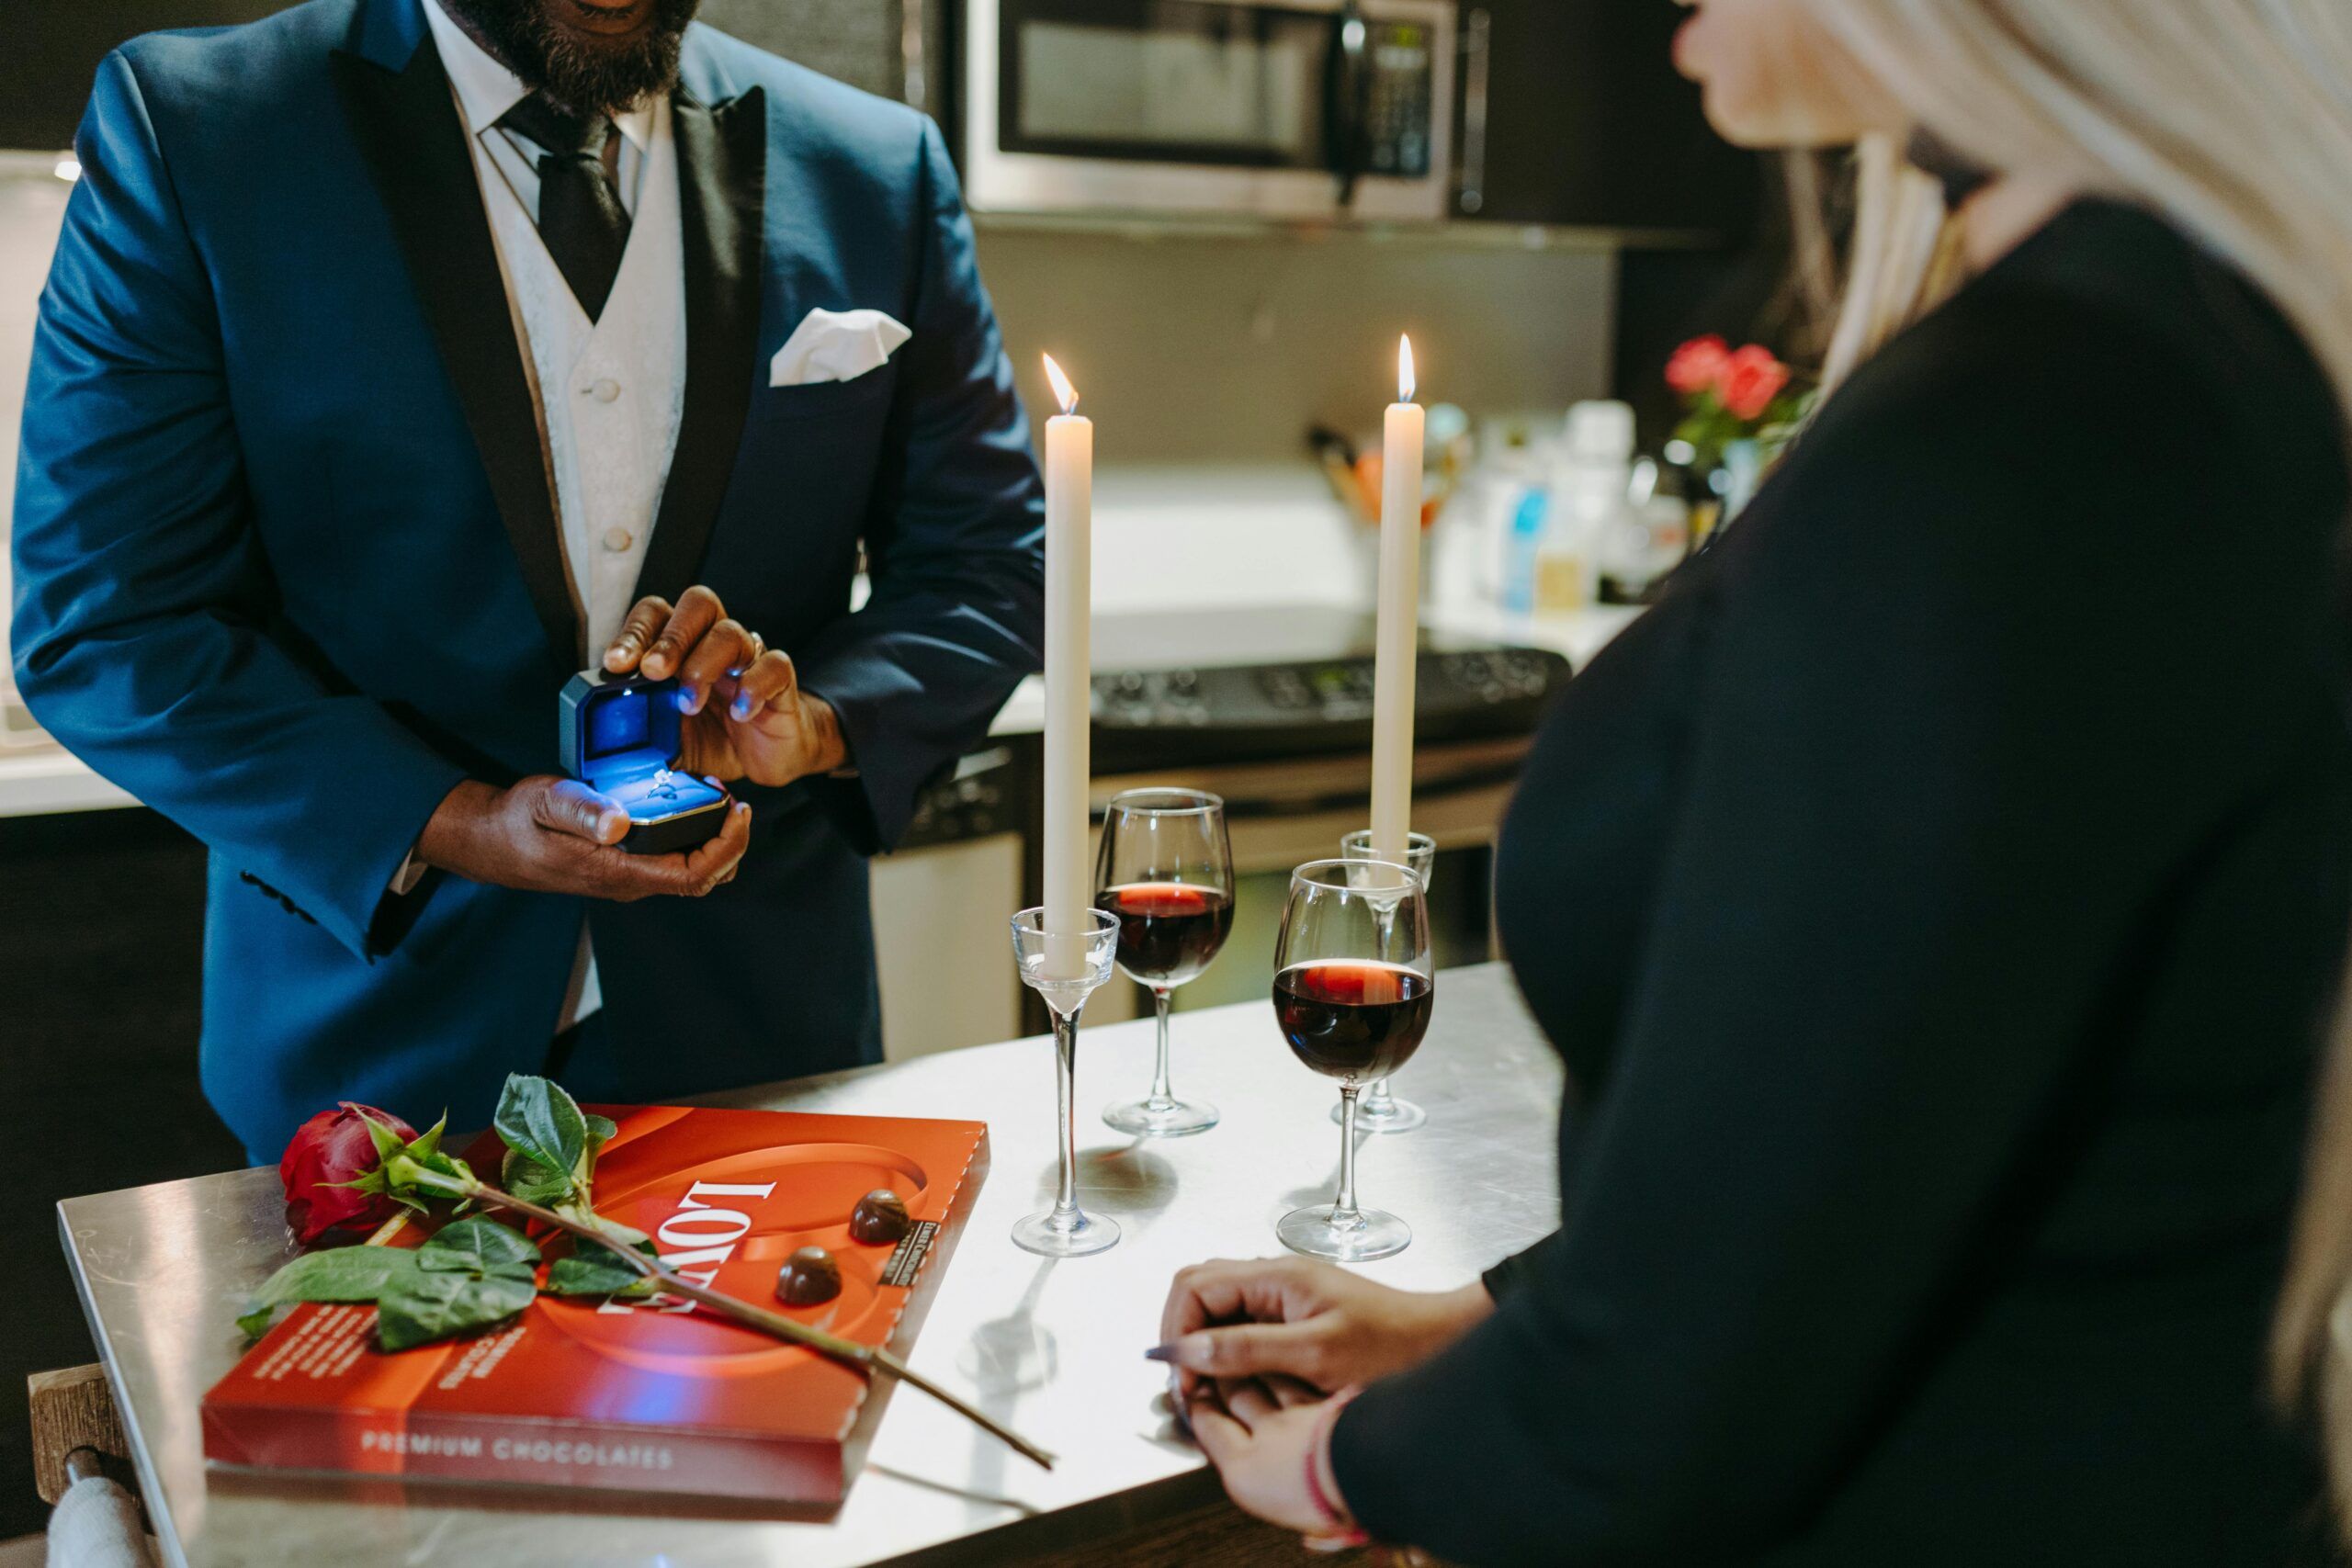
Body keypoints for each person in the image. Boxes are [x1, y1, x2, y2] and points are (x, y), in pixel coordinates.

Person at [1157, 1, 2352, 1562]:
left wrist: (1351, 1463)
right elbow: (1911, 1112)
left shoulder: (2015, 427)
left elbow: (1685, 1377)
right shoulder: (2180, 341)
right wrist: (1481, 1325)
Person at [9, 0, 1043, 1162]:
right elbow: (106, 621)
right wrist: (453, 824)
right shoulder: (201, 129)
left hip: (759, 1057)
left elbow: (993, 560)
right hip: (373, 1074)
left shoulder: (872, 164)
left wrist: (815, 725)